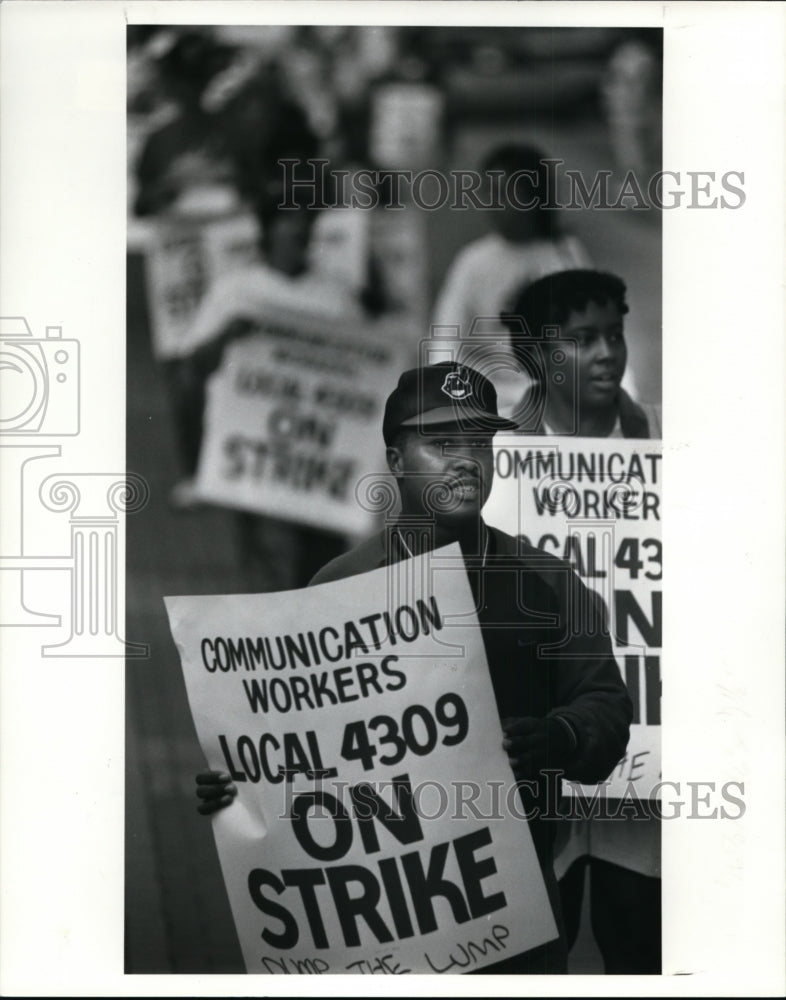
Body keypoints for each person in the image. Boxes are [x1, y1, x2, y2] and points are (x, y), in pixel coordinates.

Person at [196, 361, 633, 974]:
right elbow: (301, 749)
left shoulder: (549, 582)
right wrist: (240, 786)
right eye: (442, 443)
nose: (467, 461)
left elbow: (606, 709)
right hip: (382, 925)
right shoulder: (339, 587)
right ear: (396, 463)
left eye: (480, 443)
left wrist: (558, 737)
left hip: (514, 921)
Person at [430, 144, 591, 415]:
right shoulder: (473, 261)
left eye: (503, 194)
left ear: (533, 197)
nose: (491, 204)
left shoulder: (566, 254)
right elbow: (444, 341)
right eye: (487, 192)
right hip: (485, 390)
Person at [503, 268, 661, 438]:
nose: (607, 353)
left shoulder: (666, 431)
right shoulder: (492, 439)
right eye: (583, 340)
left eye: (615, 336)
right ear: (537, 354)